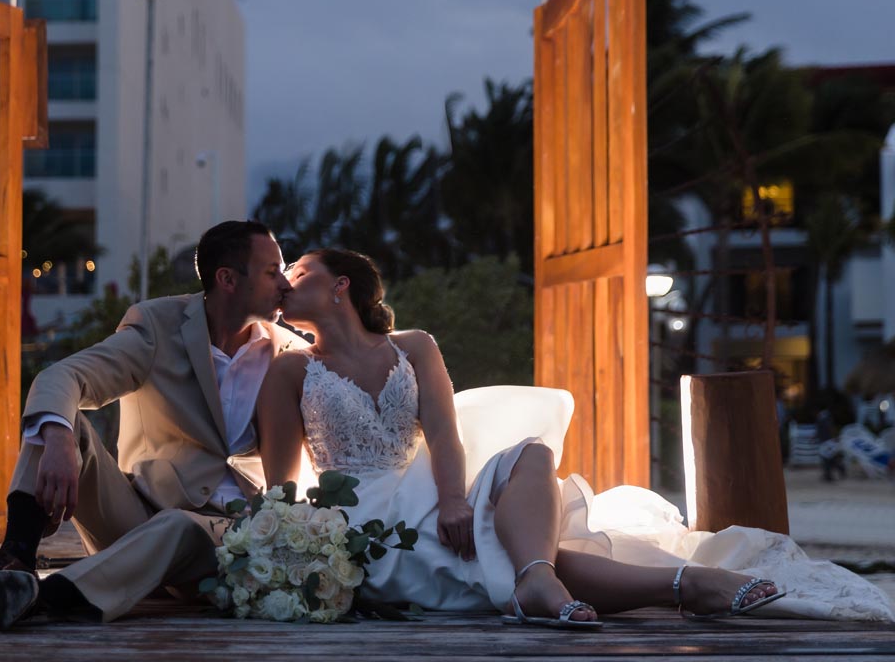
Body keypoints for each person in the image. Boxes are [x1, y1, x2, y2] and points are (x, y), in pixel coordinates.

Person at [257, 249, 892, 627]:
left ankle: (540, 579)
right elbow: (282, 480)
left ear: (340, 285)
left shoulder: (413, 346)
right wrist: (291, 548)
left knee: (531, 455)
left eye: (297, 270)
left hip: (425, 486)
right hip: (360, 515)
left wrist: (453, 498)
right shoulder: (289, 369)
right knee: (500, 548)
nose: (284, 281)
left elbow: (445, 437)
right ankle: (675, 586)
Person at [0, 220, 307, 629]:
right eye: (272, 271)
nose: (285, 283)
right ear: (227, 278)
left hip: (230, 539)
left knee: (179, 525)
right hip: (137, 517)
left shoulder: (291, 353)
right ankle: (14, 561)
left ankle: (39, 600)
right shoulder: (159, 326)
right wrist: (60, 439)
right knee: (59, 422)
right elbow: (62, 377)